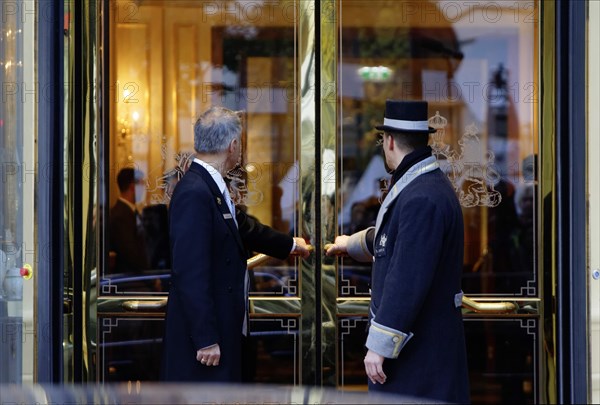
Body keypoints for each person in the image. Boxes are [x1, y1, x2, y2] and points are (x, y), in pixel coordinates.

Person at [326, 100, 470, 403]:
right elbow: (396, 240)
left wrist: (379, 345)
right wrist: (350, 244)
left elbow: (408, 277)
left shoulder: (421, 197)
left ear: (389, 141)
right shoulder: (423, 186)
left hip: (419, 357)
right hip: (425, 354)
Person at [160, 106, 310, 382]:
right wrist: (205, 338)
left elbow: (243, 226)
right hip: (205, 342)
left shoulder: (208, 185)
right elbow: (190, 271)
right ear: (233, 145)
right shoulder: (195, 191)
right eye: (240, 142)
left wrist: (289, 244)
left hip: (224, 327)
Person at [108, 168, 150, 277]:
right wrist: (151, 279)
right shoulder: (120, 215)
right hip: (131, 281)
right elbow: (131, 255)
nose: (145, 188)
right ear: (132, 187)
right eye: (142, 183)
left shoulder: (130, 211)